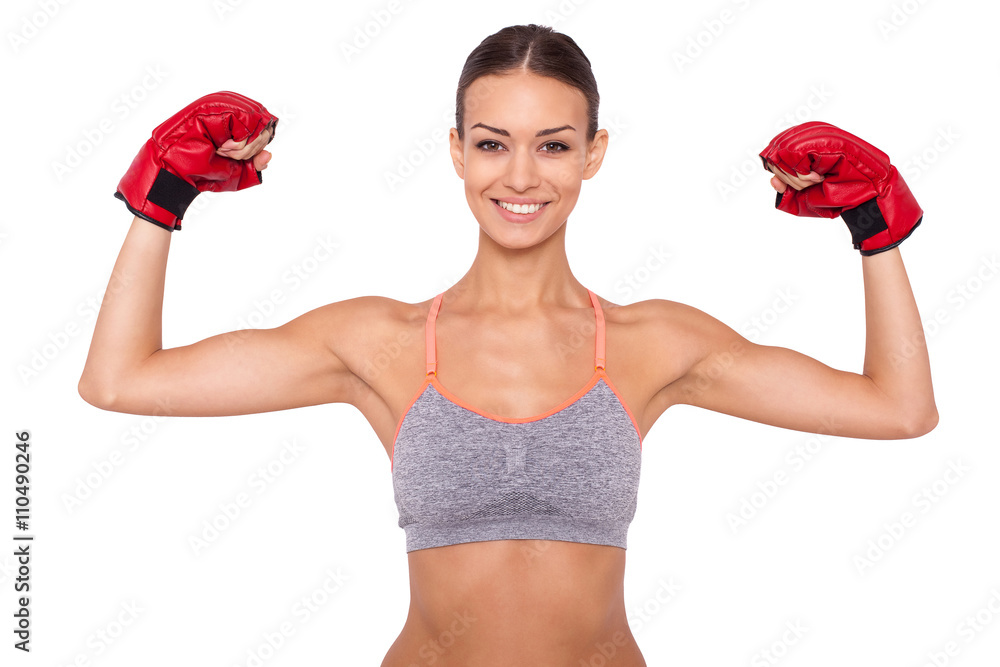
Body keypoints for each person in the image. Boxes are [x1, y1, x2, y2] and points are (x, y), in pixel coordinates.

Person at [78, 23, 938, 667]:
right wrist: (163, 197)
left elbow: (898, 409)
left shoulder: (652, 342)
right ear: (457, 152)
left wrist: (875, 226)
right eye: (492, 144)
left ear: (593, 155)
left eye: (553, 146)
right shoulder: (379, 341)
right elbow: (119, 380)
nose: (521, 176)